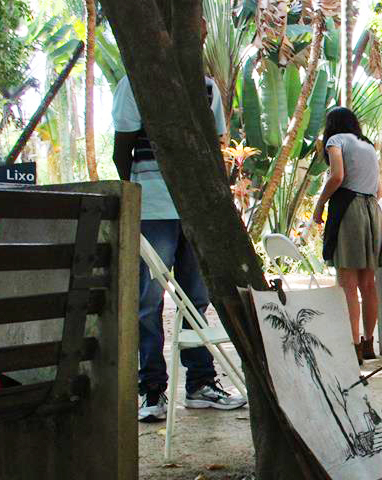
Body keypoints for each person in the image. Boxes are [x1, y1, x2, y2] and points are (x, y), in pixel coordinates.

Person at [112, 16, 246, 422]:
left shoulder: (208, 89)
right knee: (147, 303)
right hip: (152, 210)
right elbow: (123, 153)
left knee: (196, 301)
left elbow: (214, 148)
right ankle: (151, 389)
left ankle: (200, 384)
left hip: (195, 211)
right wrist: (134, 200)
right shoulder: (134, 83)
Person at [312, 107, 382, 365]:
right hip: (372, 212)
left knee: (348, 284)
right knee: (368, 283)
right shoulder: (368, 146)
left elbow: (338, 176)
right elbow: (380, 190)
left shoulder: (335, 141)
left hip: (350, 210)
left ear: (331, 125)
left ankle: (353, 346)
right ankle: (368, 343)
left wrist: (320, 203)